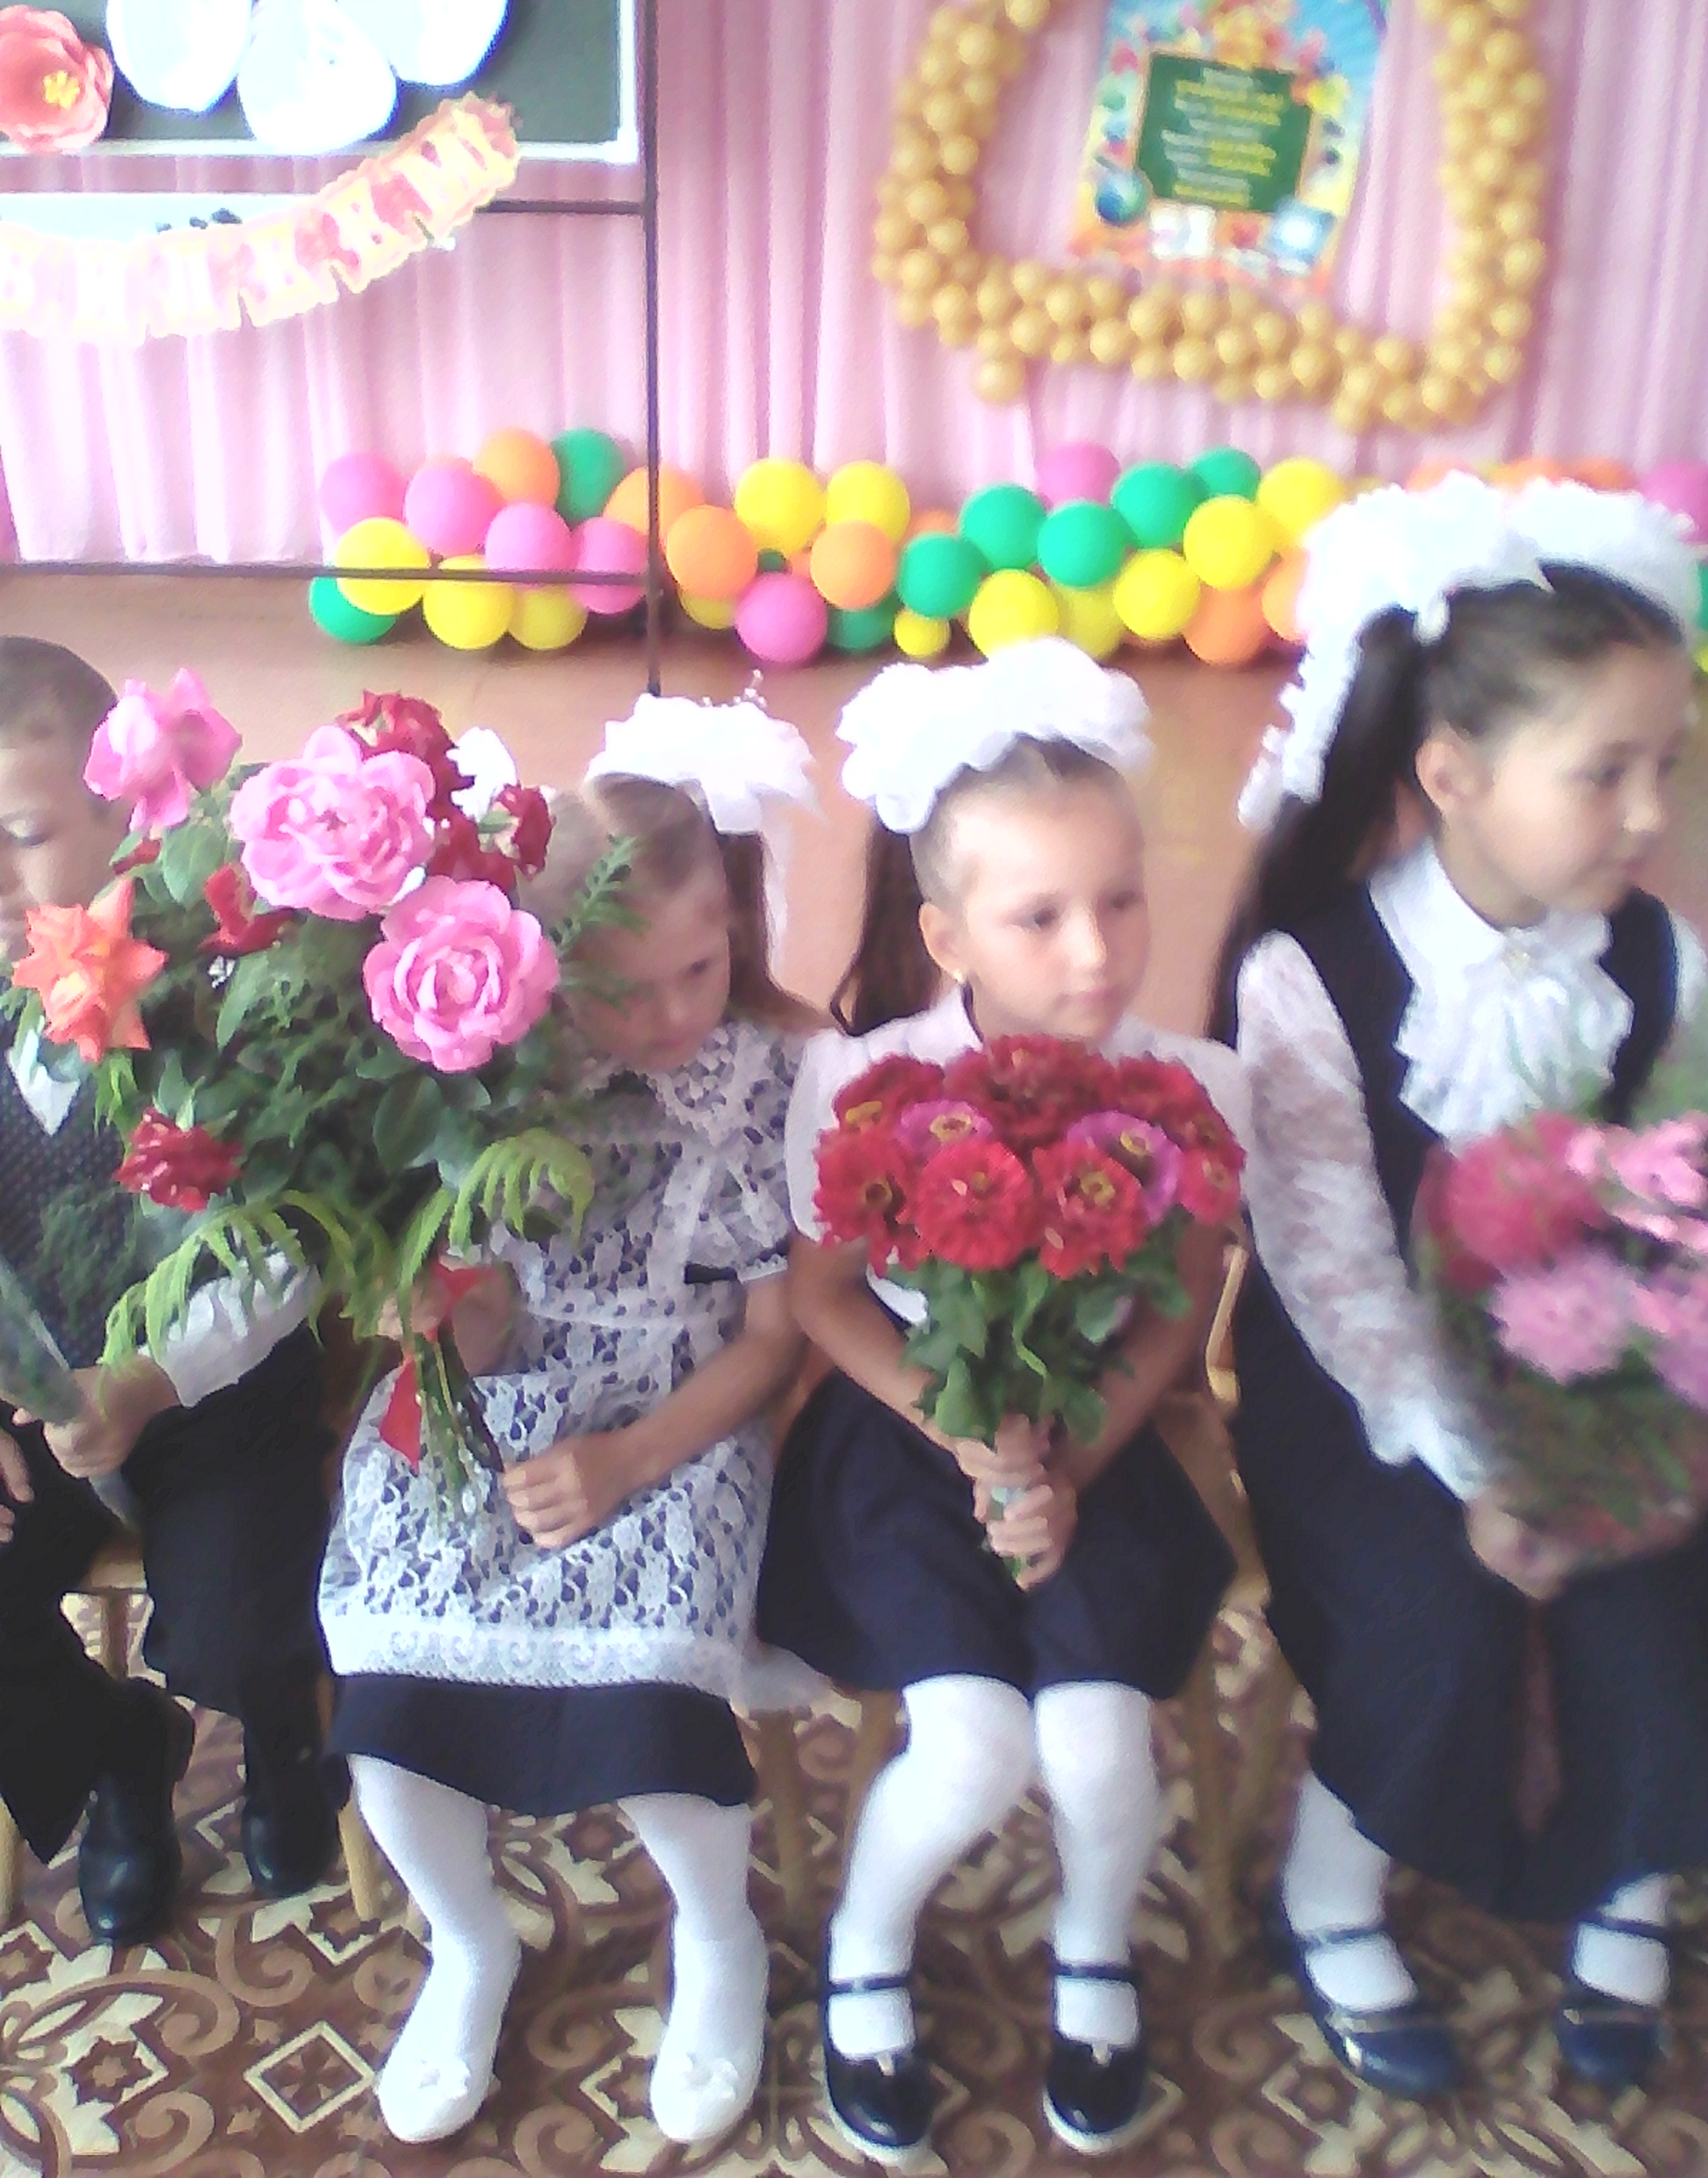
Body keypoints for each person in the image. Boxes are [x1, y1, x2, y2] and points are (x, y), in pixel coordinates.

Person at [1212, 474, 1708, 2099]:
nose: (1649, 813)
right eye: (1604, 772)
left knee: (1660, 1590)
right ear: (1454, 774)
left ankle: (1629, 1875)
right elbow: (1334, 1270)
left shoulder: (1664, 960)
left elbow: (1684, 1203)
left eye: (1669, 765)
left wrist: (1630, 1443)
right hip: (1374, 1393)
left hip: (1611, 1365)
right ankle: (1328, 1888)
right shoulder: (1310, 974)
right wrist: (1489, 1470)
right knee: (1434, 1605)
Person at [756, 641, 1247, 2161]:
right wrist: (966, 1431)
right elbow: (824, 1296)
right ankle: (866, 1945)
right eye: (1041, 917)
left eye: (1122, 901)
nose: (1097, 953)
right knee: (970, 1745)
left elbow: (1178, 1300)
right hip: (912, 1433)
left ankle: (1096, 1946)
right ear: (947, 933)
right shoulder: (869, 1080)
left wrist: (1070, 1461)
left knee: (1099, 1745)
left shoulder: (1186, 1086)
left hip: (1100, 1432)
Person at [320, 695, 818, 2150]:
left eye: (699, 971)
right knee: (390, 1720)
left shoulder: (775, 1076)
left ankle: (717, 1935)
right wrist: (442, 1314)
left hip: (688, 1415)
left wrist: (630, 1460)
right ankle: (470, 1940)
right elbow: (484, 1308)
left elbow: (778, 1337)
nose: (670, 1019)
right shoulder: (495, 1078)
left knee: (652, 1718)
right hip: (512, 1393)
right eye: (624, 991)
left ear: (736, 927)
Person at [0, 635, 338, 1945]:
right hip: (33, 1403)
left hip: (212, 1390)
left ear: (121, 817)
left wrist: (147, 1381)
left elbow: (285, 1238)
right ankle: (117, 1747)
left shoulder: (219, 990)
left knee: (243, 1622)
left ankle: (282, 1732)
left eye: (23, 835)